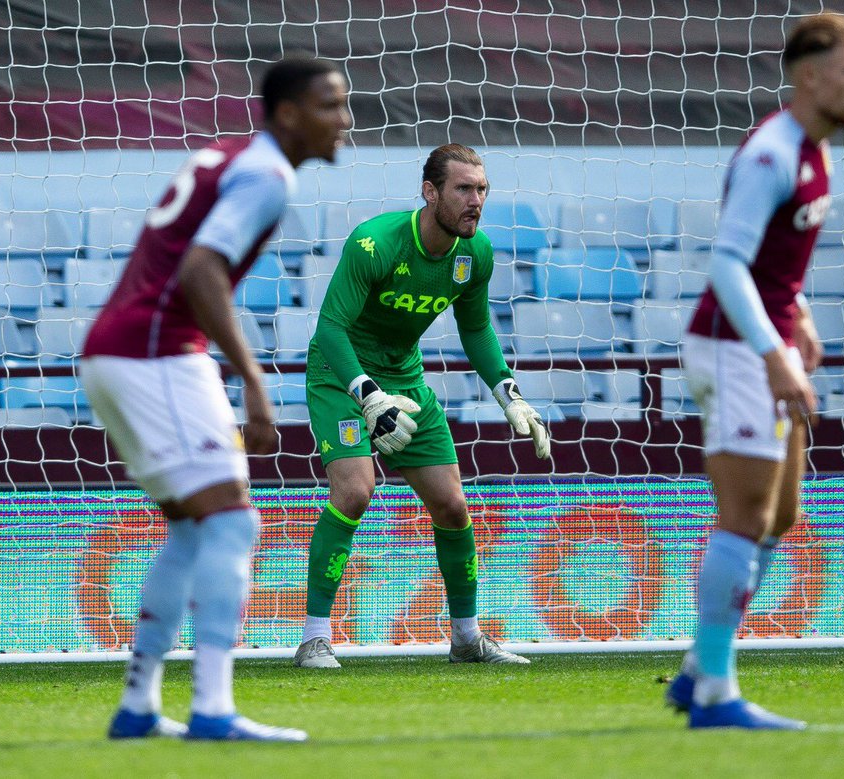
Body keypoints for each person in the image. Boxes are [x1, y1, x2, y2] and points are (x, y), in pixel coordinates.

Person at [80, 56, 352, 741]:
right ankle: (213, 708)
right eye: (330, 105)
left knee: (195, 526)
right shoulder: (267, 174)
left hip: (119, 350)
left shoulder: (231, 154)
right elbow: (202, 272)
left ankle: (140, 704)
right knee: (232, 523)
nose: (345, 120)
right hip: (155, 350)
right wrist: (255, 383)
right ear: (288, 114)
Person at [665, 13, 844, 730]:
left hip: (765, 341)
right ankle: (717, 694)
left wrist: (802, 314)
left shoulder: (817, 150)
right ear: (810, 76)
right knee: (745, 515)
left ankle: (696, 671)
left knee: (780, 515)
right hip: (732, 347)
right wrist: (774, 352)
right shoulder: (772, 154)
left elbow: (774, 264)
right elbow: (726, 261)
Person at [293, 143, 548, 669]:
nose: (475, 201)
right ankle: (315, 638)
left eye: (481, 190)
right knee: (356, 489)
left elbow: (475, 328)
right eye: (463, 189)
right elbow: (331, 329)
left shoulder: (474, 254)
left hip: (405, 376)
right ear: (430, 193)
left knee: (453, 505)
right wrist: (366, 396)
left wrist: (509, 392)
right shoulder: (374, 243)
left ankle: (467, 638)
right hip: (339, 375)